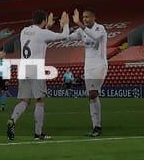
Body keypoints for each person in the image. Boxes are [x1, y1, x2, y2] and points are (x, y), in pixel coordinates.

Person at [6, 10, 70, 141]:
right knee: (39, 101)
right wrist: (66, 24)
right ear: (44, 20)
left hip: (23, 68)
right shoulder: (43, 33)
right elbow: (64, 36)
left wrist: (47, 27)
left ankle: (12, 119)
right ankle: (38, 133)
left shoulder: (24, 31)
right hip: (36, 69)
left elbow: (38, 37)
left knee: (24, 101)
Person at [69, 8, 108, 137]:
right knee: (91, 96)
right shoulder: (81, 31)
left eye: (87, 17)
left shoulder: (100, 28)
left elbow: (95, 37)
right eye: (83, 17)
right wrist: (64, 27)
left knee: (93, 94)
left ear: (93, 17)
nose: (85, 19)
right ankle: (96, 126)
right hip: (88, 67)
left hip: (100, 65)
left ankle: (97, 127)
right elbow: (68, 38)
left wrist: (79, 24)